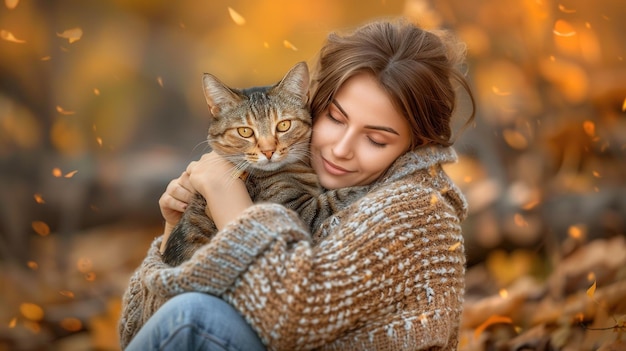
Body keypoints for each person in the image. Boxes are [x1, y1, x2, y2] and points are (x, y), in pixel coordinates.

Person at [119, 18, 476, 350]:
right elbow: (139, 331)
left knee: (195, 318)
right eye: (336, 119)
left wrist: (224, 196)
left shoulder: (420, 211)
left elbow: (289, 317)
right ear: (314, 105)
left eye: (376, 140)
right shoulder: (300, 175)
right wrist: (175, 231)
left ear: (417, 143)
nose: (340, 149)